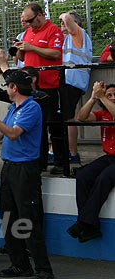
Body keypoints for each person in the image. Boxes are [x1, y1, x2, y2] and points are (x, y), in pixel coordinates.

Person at [0, 70, 54, 279]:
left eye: (7, 85)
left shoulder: (32, 107)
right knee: (8, 219)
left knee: (28, 220)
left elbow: (13, 133)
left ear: (14, 87)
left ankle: (43, 269)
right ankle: (20, 265)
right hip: (9, 167)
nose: (6, 88)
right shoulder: (13, 108)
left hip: (25, 170)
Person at [15, 3, 65, 175]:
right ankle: (40, 161)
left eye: (30, 20)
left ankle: (60, 161)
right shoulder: (28, 32)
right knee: (36, 126)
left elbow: (56, 53)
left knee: (53, 125)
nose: (28, 24)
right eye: (25, 21)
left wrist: (31, 47)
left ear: (40, 15)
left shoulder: (53, 30)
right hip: (31, 88)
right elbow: (24, 55)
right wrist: (20, 51)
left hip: (49, 86)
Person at [68, 82, 115, 242]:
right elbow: (81, 117)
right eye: (109, 95)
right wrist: (94, 97)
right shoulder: (102, 112)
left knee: (104, 178)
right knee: (83, 176)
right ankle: (91, 227)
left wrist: (102, 95)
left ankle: (84, 222)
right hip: (110, 156)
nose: (113, 97)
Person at [0, 49, 50, 171]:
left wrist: (4, 65)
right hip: (10, 163)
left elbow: (13, 133)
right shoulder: (15, 105)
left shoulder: (40, 97)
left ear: (32, 79)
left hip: (29, 163)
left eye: (23, 76)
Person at [60, 11, 93, 165]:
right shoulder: (68, 39)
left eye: (65, 23)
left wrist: (63, 16)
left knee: (67, 117)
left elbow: (67, 18)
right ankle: (57, 150)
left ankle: (73, 153)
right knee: (63, 116)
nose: (62, 25)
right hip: (70, 80)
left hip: (73, 80)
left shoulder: (79, 33)